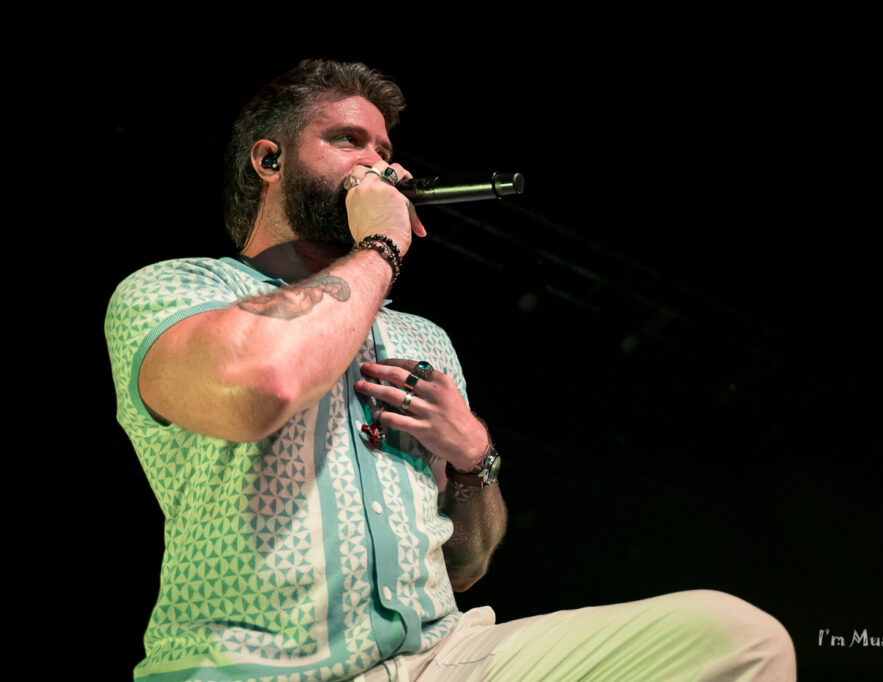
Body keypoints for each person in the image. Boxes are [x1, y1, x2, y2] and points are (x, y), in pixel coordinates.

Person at [106, 59, 796, 681]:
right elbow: (263, 384)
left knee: (737, 639)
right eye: (349, 141)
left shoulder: (421, 339)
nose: (383, 167)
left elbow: (467, 567)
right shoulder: (179, 291)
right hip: (259, 669)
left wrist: (474, 461)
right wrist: (382, 243)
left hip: (441, 657)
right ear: (269, 158)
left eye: (386, 152)